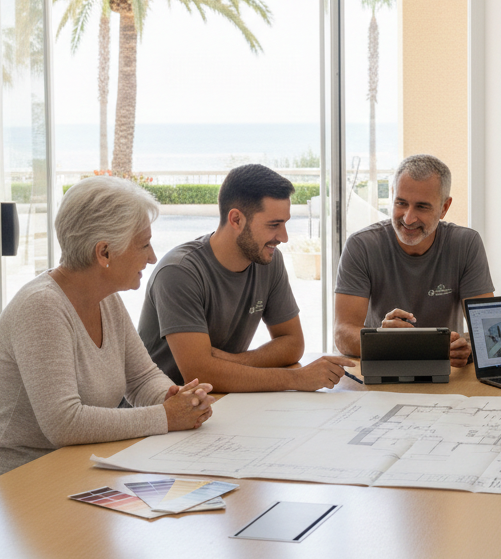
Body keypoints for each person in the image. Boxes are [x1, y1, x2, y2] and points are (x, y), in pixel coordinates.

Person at [0, 176, 214, 490]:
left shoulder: (107, 299)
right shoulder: (42, 308)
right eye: (143, 244)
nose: (152, 257)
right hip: (0, 489)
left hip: (66, 475)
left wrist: (172, 397)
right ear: (104, 252)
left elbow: (141, 378)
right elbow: (64, 423)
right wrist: (166, 417)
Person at [139, 163, 351, 392]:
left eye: (285, 223)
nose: (284, 237)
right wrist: (296, 379)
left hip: (219, 403)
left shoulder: (268, 260)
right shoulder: (179, 272)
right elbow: (199, 373)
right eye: (274, 225)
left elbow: (293, 343)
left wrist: (236, 362)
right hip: (162, 413)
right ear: (236, 220)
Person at [334, 153, 494, 367]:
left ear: (444, 208)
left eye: (422, 207)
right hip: (384, 370)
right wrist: (383, 339)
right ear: (392, 196)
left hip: (446, 374)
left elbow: (487, 329)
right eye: (401, 203)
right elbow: (342, 333)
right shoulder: (361, 245)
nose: (408, 218)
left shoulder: (466, 244)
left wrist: (468, 349)